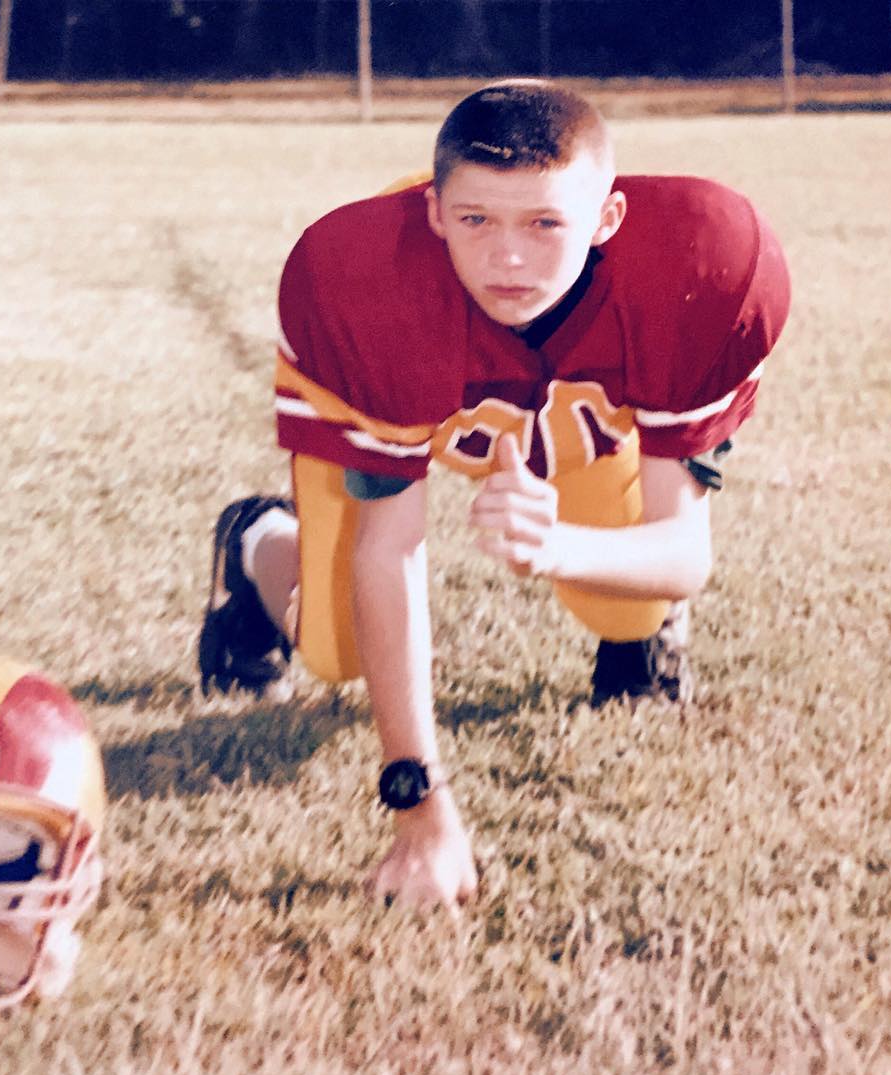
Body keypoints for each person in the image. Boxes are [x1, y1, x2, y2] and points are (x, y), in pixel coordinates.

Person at [197, 80, 790, 911]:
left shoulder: (703, 265)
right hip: (418, 407)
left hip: (579, 424)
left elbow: (685, 552)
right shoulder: (366, 287)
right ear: (435, 212)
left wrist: (558, 547)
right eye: (476, 220)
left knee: (632, 608)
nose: (509, 259)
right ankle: (260, 540)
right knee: (337, 651)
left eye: (546, 222)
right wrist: (421, 808)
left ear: (607, 219)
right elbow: (390, 546)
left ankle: (634, 629)